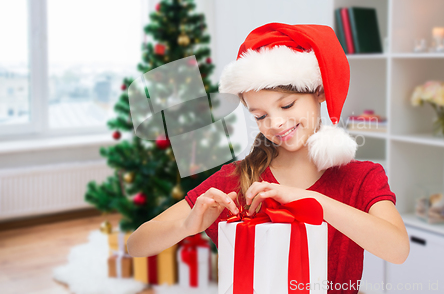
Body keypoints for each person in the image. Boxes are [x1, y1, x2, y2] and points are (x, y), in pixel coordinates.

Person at [127, 22, 410, 294]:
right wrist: (186, 226)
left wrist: (312, 202)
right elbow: (136, 244)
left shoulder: (360, 178)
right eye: (260, 116)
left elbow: (397, 250)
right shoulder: (238, 179)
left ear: (320, 93)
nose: (275, 123)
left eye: (286, 105)